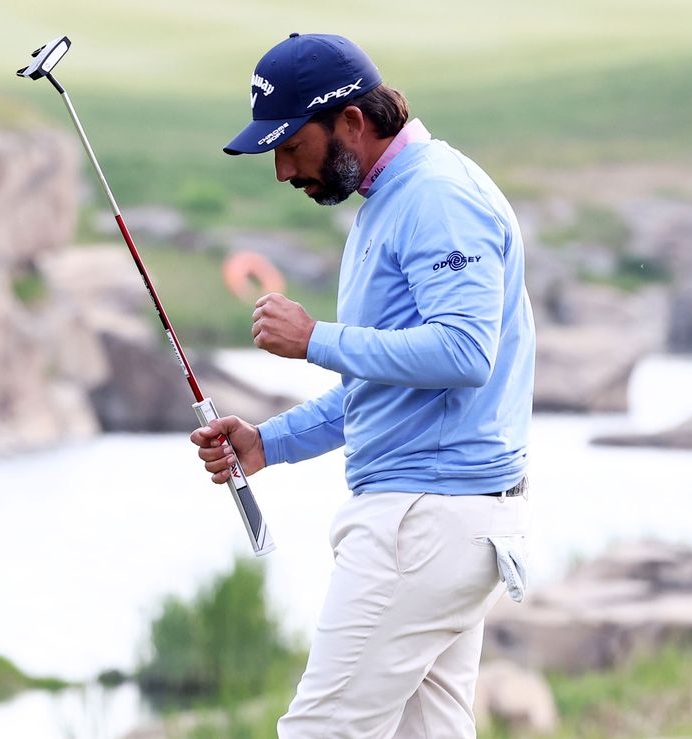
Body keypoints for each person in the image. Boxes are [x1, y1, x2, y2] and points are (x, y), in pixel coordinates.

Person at [189, 32, 536, 738]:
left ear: (351, 121)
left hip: (425, 519)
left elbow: (466, 352)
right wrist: (268, 443)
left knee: (321, 730)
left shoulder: (436, 196)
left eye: (291, 146)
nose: (283, 171)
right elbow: (388, 384)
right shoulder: (393, 199)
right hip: (443, 518)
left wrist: (313, 337)